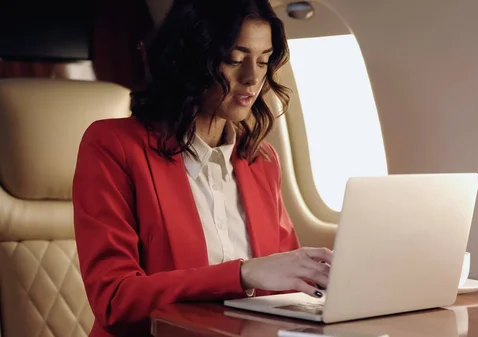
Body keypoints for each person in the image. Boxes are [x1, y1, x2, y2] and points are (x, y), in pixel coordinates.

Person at [72, 1, 333, 336]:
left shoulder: (261, 159)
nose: (252, 78)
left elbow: (282, 289)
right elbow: (114, 300)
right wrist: (243, 273)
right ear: (190, 58)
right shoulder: (112, 146)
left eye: (264, 61)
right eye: (235, 59)